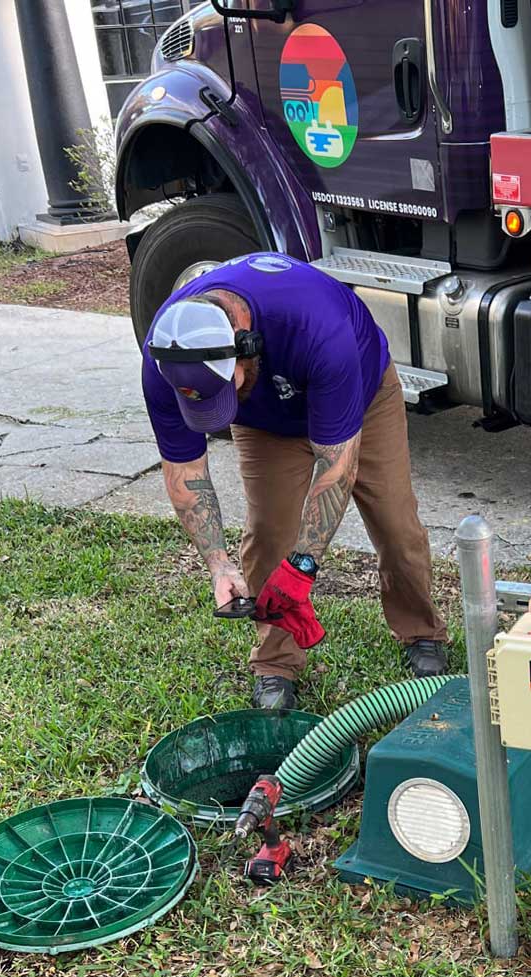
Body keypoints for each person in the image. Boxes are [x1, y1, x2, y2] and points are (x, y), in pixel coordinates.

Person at [140, 251, 449, 709]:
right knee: (268, 534)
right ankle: (275, 664)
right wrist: (219, 565)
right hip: (265, 420)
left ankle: (422, 632)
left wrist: (302, 567)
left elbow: (336, 470)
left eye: (226, 388)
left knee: (395, 523)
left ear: (245, 345)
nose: (216, 408)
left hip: (361, 398)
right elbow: (186, 472)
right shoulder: (164, 359)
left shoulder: (319, 329)